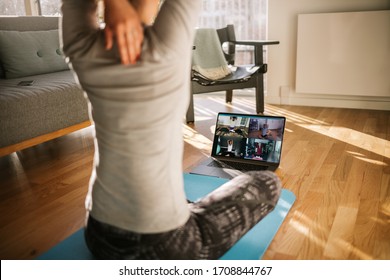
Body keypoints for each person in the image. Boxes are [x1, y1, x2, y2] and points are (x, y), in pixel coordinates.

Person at [61, 0, 281, 259]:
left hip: (99, 233)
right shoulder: (165, 46)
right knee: (267, 182)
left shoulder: (82, 48)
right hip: (165, 245)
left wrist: (114, 3)